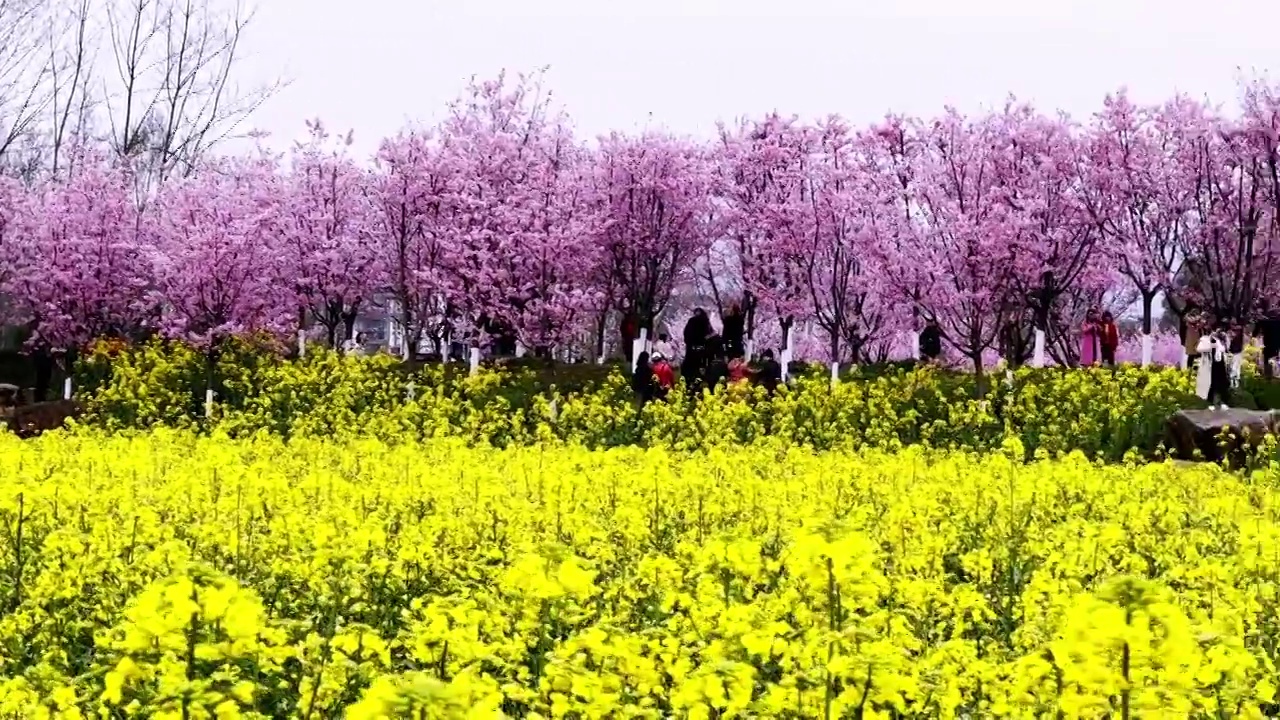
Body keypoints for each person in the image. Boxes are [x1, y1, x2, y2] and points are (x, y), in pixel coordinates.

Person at [1197, 325, 1231, 410]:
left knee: (1222, 383)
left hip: (1220, 364)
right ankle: (1211, 402)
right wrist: (1211, 346)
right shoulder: (1205, 339)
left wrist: (1224, 339)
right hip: (1211, 365)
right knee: (1211, 383)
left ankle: (1223, 402)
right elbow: (1199, 349)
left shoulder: (1221, 339)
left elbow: (1226, 348)